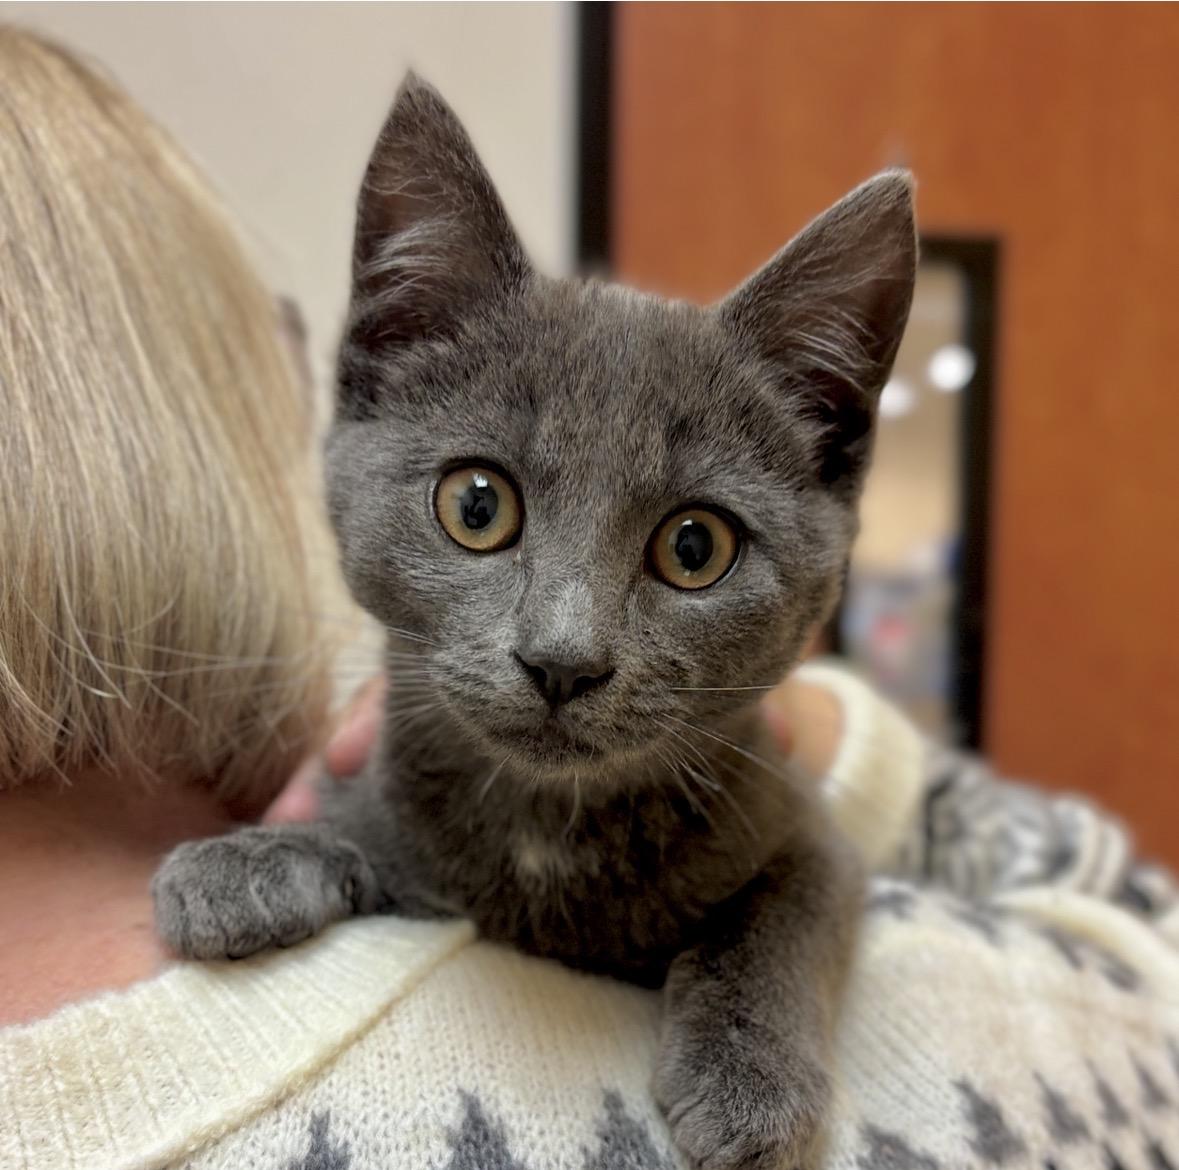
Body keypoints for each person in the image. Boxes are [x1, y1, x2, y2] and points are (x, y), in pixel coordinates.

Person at [2, 26, 1178, 1170]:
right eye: (481, 509)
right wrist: (330, 866)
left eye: (692, 549)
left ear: (828, 453)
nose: (564, 642)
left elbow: (807, 863)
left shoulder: (745, 819)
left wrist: (754, 971)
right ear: (376, 371)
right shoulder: (367, 780)